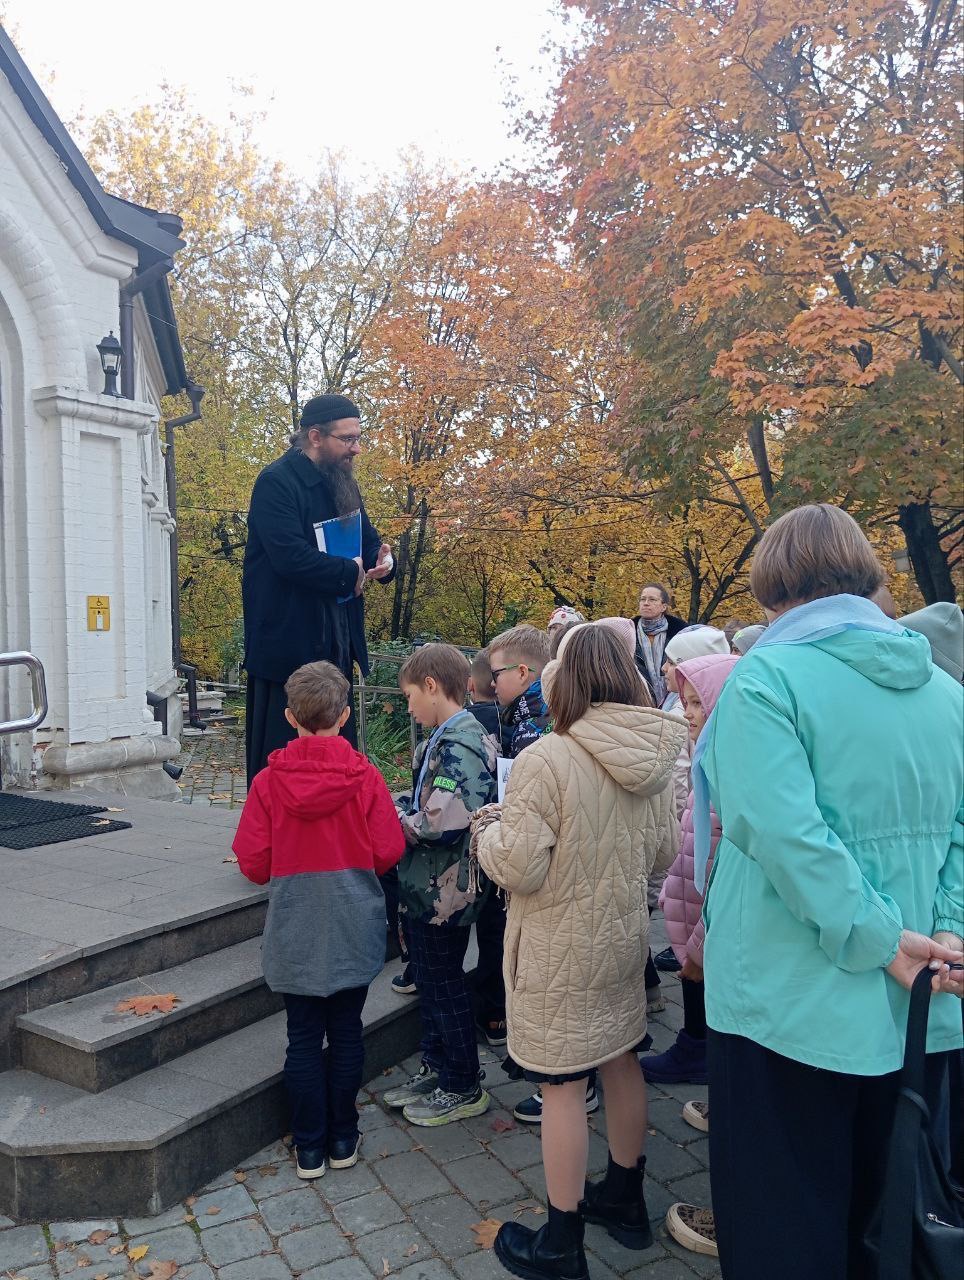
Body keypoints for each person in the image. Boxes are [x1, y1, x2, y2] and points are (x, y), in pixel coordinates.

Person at [698, 503, 963, 1280]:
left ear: (773, 586)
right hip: (920, 1001)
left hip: (786, 1005)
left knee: (782, 1232)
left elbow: (783, 833)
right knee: (883, 1225)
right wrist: (947, 933)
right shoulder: (946, 692)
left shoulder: (765, 679)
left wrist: (881, 941)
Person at [475, 625, 687, 1280]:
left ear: (561, 682)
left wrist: (486, 833)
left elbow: (520, 867)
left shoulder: (546, 759)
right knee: (622, 1059)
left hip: (557, 949)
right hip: (620, 940)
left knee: (562, 1085)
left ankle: (561, 1245)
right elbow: (664, 854)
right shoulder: (654, 757)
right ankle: (625, 1199)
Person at [232, 661, 405, 1180]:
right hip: (353, 918)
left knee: (303, 1037)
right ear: (345, 716)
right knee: (347, 1032)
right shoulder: (365, 777)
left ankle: (309, 1147)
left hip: (295, 923)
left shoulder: (268, 783)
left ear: (290, 717)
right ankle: (344, 1136)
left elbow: (253, 864)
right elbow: (388, 850)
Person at [241, 393, 395, 785]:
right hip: (288, 646)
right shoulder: (276, 482)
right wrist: (349, 572)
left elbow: (368, 542)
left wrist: (384, 562)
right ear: (315, 436)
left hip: (336, 642)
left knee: (336, 762)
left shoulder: (343, 481)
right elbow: (289, 557)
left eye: (358, 438)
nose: (356, 449)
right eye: (347, 439)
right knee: (283, 764)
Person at [383, 644, 498, 1127]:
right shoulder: (448, 736)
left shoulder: (459, 743)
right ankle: (437, 1066)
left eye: (410, 696)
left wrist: (392, 819)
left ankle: (462, 1082)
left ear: (432, 686)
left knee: (444, 983)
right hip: (430, 886)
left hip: (444, 889)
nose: (409, 707)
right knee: (431, 981)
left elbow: (442, 821)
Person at [488, 624, 552, 757]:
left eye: (495, 674)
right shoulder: (551, 713)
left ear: (522, 673)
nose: (492, 683)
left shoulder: (530, 736)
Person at [631, 583, 687, 705]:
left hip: (673, 699)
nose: (646, 603)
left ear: (663, 607)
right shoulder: (628, 632)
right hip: (637, 700)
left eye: (652, 599)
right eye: (643, 599)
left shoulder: (680, 633)